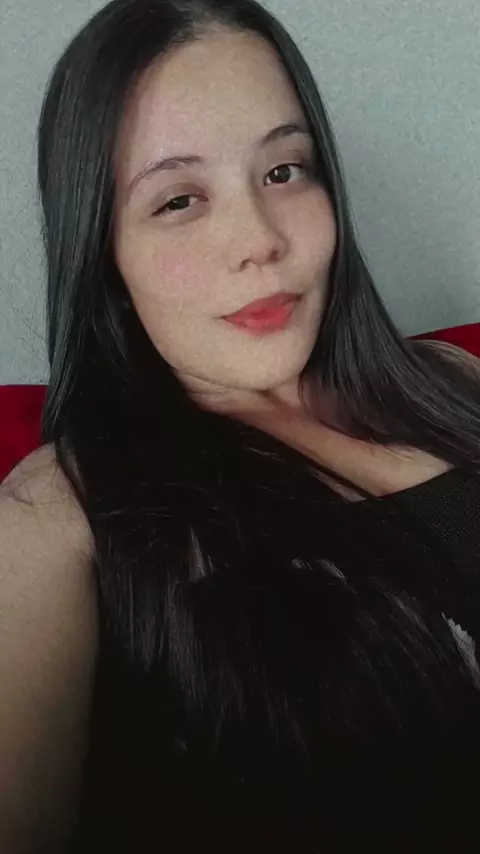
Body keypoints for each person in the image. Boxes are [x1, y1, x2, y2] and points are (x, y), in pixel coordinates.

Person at [1, 0, 480, 850]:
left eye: (284, 170)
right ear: (104, 251)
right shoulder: (57, 514)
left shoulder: (453, 378)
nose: (259, 239)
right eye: (179, 199)